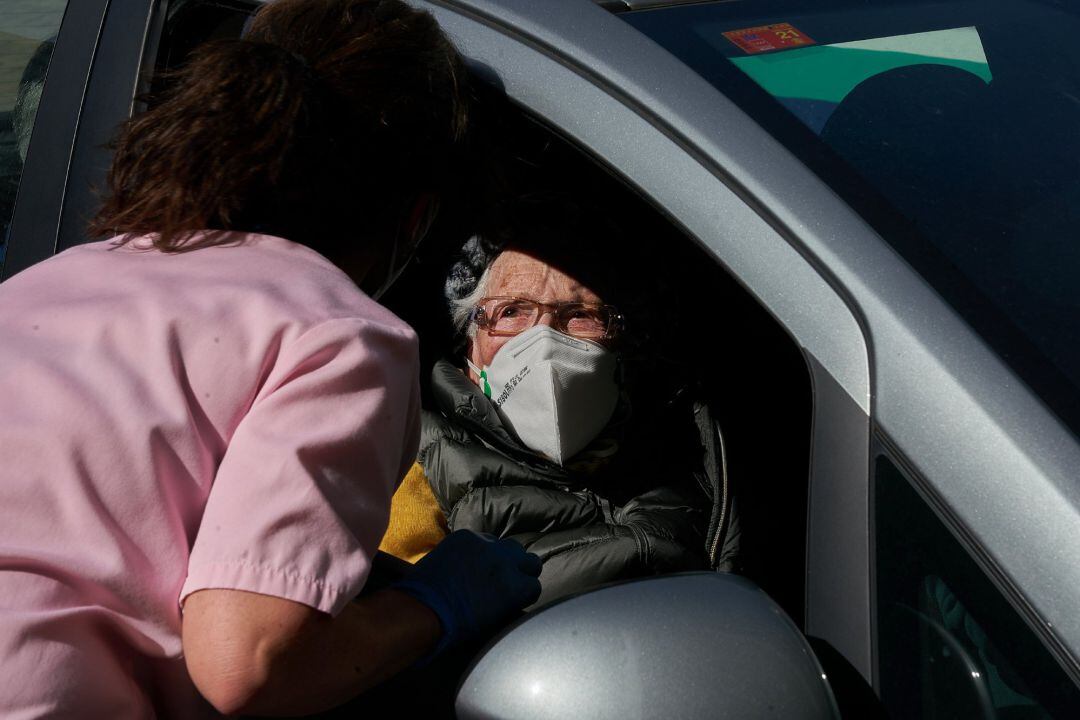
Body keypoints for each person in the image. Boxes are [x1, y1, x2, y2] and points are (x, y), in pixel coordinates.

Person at [0, 1, 540, 717]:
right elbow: (246, 666)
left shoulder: (47, 282)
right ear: (415, 217)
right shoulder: (338, 337)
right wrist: (438, 603)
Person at [380, 195, 741, 606]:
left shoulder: (690, 459)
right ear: (469, 346)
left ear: (623, 349)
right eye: (512, 312)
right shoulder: (409, 467)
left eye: (581, 315)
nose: (545, 340)